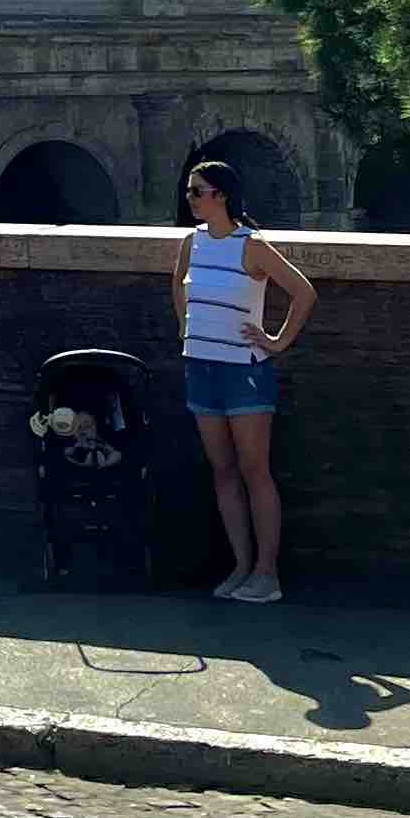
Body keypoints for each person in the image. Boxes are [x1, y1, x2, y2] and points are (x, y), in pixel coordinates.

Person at [173, 156, 315, 606]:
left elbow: (303, 291)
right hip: (201, 366)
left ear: (222, 196)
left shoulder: (250, 245)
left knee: (255, 470)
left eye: (198, 191)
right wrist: (185, 326)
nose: (190, 198)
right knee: (223, 471)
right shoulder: (190, 243)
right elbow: (178, 283)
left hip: (243, 371)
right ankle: (240, 565)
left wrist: (276, 341)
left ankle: (266, 572)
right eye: (189, 191)